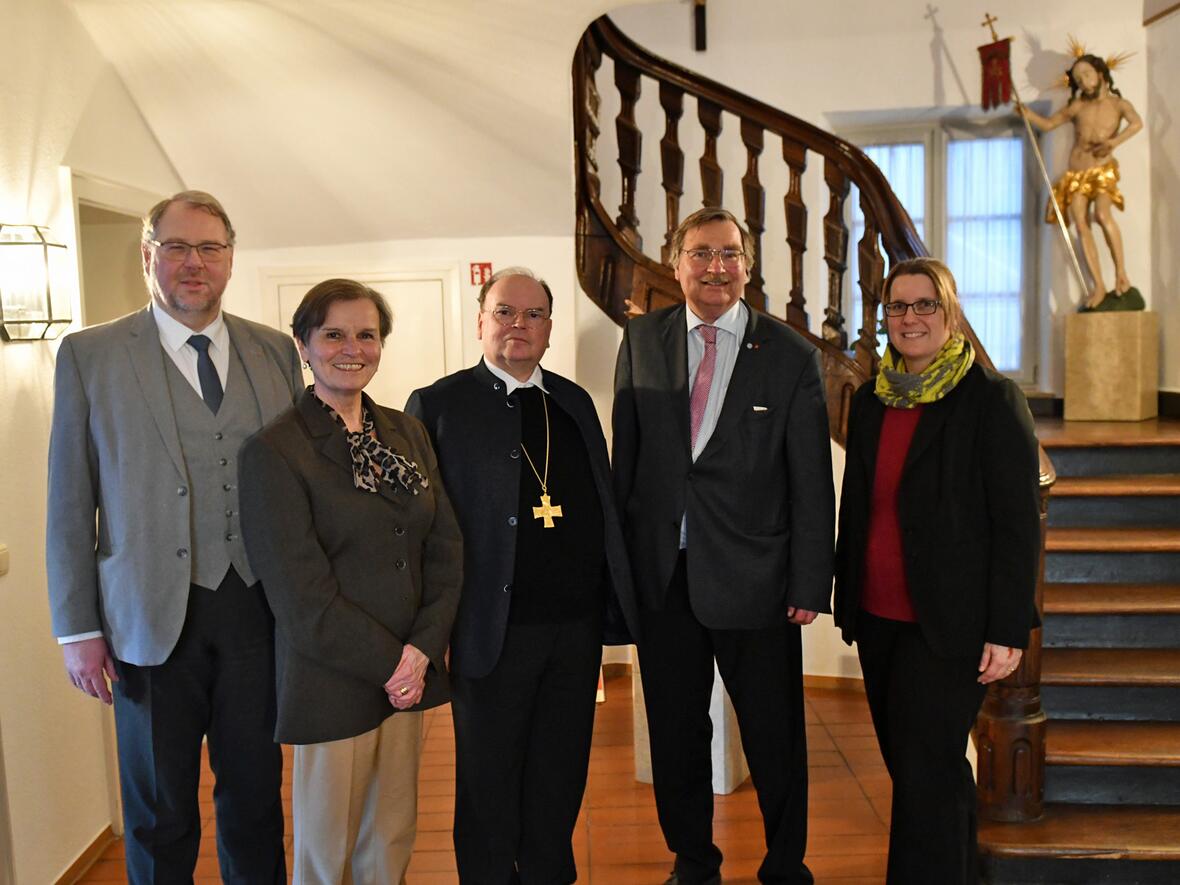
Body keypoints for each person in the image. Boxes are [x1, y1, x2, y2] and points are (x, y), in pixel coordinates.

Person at [46, 190, 299, 883]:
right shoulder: (89, 355)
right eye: (178, 247)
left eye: (210, 248)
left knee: (255, 798)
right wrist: (77, 627)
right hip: (145, 621)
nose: (195, 263)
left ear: (230, 259)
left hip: (255, 610)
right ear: (148, 255)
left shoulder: (275, 352)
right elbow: (70, 499)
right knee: (159, 809)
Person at [612, 207, 835, 885]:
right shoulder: (642, 339)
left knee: (774, 734)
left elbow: (812, 483)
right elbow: (629, 465)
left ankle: (785, 860)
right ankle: (693, 858)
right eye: (701, 253)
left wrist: (807, 583)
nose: (716, 267)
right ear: (675, 262)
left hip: (759, 579)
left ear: (748, 264)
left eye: (730, 254)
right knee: (676, 732)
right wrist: (624, 576)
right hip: (664, 578)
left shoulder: (790, 354)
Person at [406, 266, 640, 884]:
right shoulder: (439, 404)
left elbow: (603, 509)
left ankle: (547, 874)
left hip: (573, 628)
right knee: (488, 775)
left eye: (533, 315)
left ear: (549, 328)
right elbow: (421, 527)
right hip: (488, 628)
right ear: (481, 320)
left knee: (560, 770)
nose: (519, 325)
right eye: (505, 312)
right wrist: (433, 630)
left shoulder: (573, 401)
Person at [238, 279, 462, 883]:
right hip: (332, 679)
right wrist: (395, 664)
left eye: (367, 334)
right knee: (325, 853)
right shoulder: (274, 452)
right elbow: (300, 598)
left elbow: (444, 545)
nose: (351, 348)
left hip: (408, 675)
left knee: (390, 838)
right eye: (333, 334)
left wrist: (420, 651)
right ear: (303, 344)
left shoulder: (405, 432)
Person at [833, 257, 1040, 884]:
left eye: (925, 305)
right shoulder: (871, 399)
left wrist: (1008, 627)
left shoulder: (990, 399)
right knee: (915, 766)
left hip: (948, 623)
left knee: (928, 766)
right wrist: (844, 593)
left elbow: (1017, 522)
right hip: (877, 616)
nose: (910, 318)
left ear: (949, 315)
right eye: (898, 306)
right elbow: (860, 503)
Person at [1019, 53, 1142, 309]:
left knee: (1103, 216)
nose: (1084, 81)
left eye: (1087, 74)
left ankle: (1121, 274)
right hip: (1076, 174)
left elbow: (1136, 123)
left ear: (1100, 73)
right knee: (1080, 224)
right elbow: (1051, 123)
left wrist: (1113, 142)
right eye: (1078, 78)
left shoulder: (1118, 104)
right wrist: (1027, 114)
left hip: (1101, 170)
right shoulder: (1078, 106)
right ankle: (1098, 285)